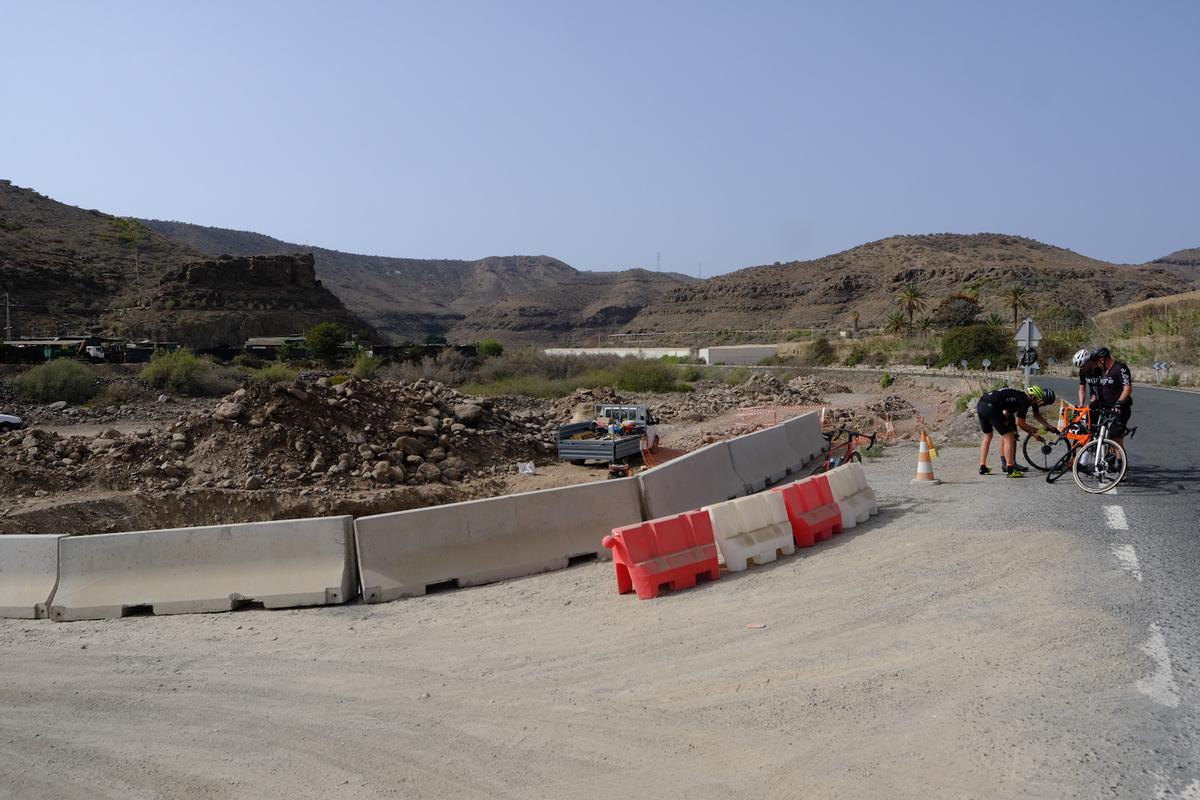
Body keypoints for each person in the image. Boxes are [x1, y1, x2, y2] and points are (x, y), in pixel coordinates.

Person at [977, 385, 1058, 478]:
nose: (1043, 405)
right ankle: (1010, 470)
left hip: (981, 404)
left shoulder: (1026, 398)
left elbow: (1036, 415)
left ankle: (983, 467)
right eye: (1043, 402)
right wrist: (1035, 433)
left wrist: (1049, 426)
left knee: (988, 436)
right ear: (1034, 397)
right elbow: (1020, 423)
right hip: (991, 407)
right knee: (1009, 437)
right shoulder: (1024, 400)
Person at [1087, 346, 1133, 450]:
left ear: (1102, 360)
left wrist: (1118, 404)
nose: (1096, 365)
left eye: (1097, 362)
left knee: (1116, 438)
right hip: (1106, 409)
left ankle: (1121, 459)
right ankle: (1107, 457)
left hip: (1120, 409)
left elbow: (1127, 388)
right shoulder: (1102, 371)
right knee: (1101, 435)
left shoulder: (1120, 368)